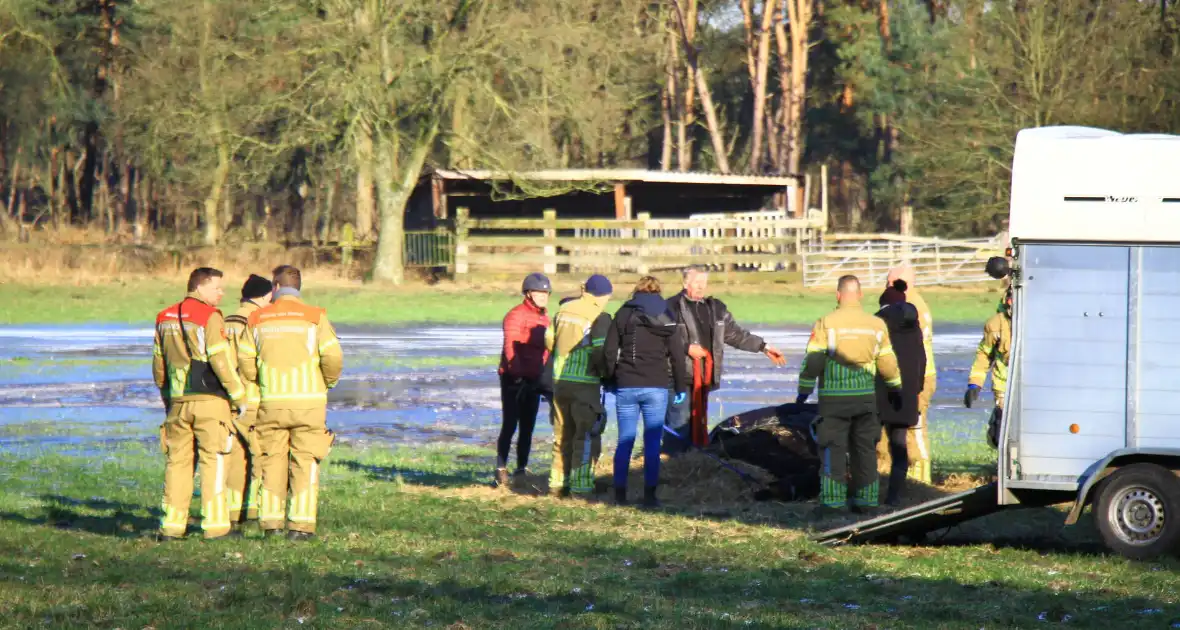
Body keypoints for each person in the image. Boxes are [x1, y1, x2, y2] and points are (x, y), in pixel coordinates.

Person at [237, 265, 343, 541]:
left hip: (271, 402)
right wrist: (327, 382)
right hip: (309, 404)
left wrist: (257, 380)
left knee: (271, 460)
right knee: (305, 462)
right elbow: (333, 357)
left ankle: (271, 524)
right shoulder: (316, 317)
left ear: (274, 287)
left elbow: (245, 359)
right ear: (300, 287)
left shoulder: (258, 318)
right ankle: (301, 527)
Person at [152, 267, 246, 540]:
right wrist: (238, 395)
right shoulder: (210, 316)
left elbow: (159, 364)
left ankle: (171, 526)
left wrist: (167, 397)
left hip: (178, 401)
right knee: (213, 460)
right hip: (209, 401)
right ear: (200, 286)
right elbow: (221, 360)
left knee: (177, 464)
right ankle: (216, 527)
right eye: (217, 287)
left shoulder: (164, 317)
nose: (221, 293)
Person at [796, 275, 902, 514]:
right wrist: (895, 387)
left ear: (838, 295)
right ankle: (866, 502)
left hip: (834, 402)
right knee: (865, 451)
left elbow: (813, 360)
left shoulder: (826, 323)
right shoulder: (876, 325)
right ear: (860, 295)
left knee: (833, 449)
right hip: (865, 401)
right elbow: (887, 362)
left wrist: (803, 391)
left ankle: (833, 504)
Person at [665, 266, 787, 452]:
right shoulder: (670, 307)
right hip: (677, 377)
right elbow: (659, 337)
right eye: (697, 283)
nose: (701, 287)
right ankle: (673, 464)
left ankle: (694, 462)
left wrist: (763, 347)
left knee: (698, 421)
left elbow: (736, 335)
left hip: (704, 376)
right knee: (679, 423)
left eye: (704, 284)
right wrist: (686, 348)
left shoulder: (716, 309)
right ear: (685, 283)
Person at [604, 276, 689, 507]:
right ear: (658, 292)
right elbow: (678, 356)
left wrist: (610, 379)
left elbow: (610, 351)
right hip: (657, 386)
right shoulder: (667, 315)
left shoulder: (623, 313)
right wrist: (680, 386)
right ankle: (650, 496)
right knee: (652, 442)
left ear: (636, 291)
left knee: (625, 440)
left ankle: (619, 495)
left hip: (627, 384)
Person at [546, 274, 613, 497]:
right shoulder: (599, 316)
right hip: (585, 383)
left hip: (559, 381)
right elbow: (600, 351)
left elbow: (548, 340)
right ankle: (581, 489)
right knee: (584, 437)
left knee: (562, 434)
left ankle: (556, 485)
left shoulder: (562, 310)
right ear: (603, 295)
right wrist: (606, 375)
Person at [223, 274, 273, 525]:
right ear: (265, 296)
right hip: (251, 398)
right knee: (259, 454)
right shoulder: (255, 322)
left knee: (235, 456)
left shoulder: (226, 320)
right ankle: (252, 510)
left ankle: (232, 510)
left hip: (227, 398)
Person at [494, 273, 552, 488]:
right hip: (513, 377)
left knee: (528, 425)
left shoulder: (544, 317)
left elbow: (545, 349)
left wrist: (543, 374)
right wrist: (516, 374)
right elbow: (511, 346)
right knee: (510, 423)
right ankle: (501, 468)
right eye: (539, 292)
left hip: (534, 377)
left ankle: (521, 468)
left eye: (546, 293)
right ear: (528, 294)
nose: (543, 296)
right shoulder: (515, 315)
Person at [874, 280, 927, 506]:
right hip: (906, 396)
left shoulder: (877, 325)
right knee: (899, 447)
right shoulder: (915, 328)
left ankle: (866, 495)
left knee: (867, 444)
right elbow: (922, 361)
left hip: (879, 393)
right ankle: (893, 498)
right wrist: (917, 388)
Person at [882, 263, 935, 484]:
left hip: (916, 377)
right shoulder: (907, 304)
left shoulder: (911, 308)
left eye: (890, 282)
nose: (886, 286)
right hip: (908, 375)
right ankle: (891, 477)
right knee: (896, 431)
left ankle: (921, 483)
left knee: (915, 430)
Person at [966, 288, 1012, 449]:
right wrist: (975, 384)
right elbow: (984, 355)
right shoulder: (996, 324)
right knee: (1002, 431)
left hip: (1032, 385)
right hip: (1004, 386)